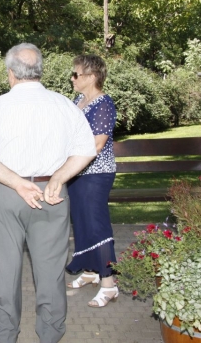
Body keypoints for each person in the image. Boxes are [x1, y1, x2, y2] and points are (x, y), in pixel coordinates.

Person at [0, 43, 96, 343]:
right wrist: (59, 176)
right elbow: (86, 150)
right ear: (40, 71)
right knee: (51, 270)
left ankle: (3, 331)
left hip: (6, 192)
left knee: (5, 268)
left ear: (11, 73)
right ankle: (50, 333)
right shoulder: (64, 105)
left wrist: (17, 182)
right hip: (51, 193)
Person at [65, 54, 119, 308]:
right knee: (82, 222)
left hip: (96, 173)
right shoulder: (78, 101)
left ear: (92, 76)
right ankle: (89, 271)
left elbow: (97, 145)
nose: (72, 78)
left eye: (76, 74)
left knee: (97, 225)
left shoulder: (104, 104)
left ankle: (109, 283)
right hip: (77, 172)